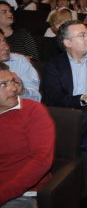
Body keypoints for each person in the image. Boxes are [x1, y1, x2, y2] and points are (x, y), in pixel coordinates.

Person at [42, 20, 87, 202]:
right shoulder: (54, 66)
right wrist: (85, 98)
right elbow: (53, 100)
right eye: (82, 35)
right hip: (67, 117)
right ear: (67, 43)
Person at [0, 62, 55, 206]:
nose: (13, 88)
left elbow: (41, 161)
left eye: (12, 81)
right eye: (3, 85)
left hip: (23, 194)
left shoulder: (33, 111)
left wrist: (3, 194)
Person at [0, 31, 41, 101]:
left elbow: (36, 99)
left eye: (5, 41)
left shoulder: (19, 61)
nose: (6, 48)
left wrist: (22, 92)